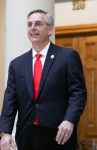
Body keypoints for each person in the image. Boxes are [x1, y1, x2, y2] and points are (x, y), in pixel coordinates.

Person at [0, 9, 87, 150]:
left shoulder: (67, 57)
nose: (32, 28)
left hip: (59, 136)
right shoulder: (16, 64)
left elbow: (78, 93)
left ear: (50, 29)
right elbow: (10, 99)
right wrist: (5, 132)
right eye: (29, 24)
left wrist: (69, 120)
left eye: (38, 24)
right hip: (27, 138)